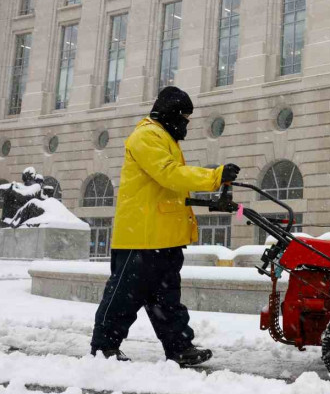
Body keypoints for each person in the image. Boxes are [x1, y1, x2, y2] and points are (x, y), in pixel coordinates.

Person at [90, 86, 240, 366]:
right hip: (142, 237)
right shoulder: (146, 136)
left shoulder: (163, 138)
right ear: (170, 114)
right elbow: (169, 175)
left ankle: (179, 347)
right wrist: (214, 176)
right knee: (123, 297)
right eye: (183, 117)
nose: (186, 124)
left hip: (163, 237)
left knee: (167, 300)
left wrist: (211, 193)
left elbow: (170, 189)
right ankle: (103, 349)